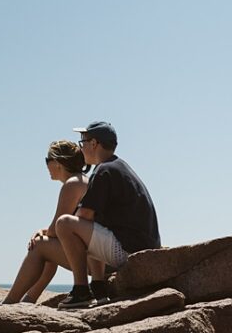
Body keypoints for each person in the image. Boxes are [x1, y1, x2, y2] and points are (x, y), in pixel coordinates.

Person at [55, 121, 161, 309]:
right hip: (143, 246)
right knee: (93, 225)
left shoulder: (104, 170)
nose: (81, 148)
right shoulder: (118, 166)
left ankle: (81, 291)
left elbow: (84, 215)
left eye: (83, 142)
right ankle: (99, 287)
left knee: (65, 224)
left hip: (130, 250)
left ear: (94, 144)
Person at [2, 141, 89, 304]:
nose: (46, 165)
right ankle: (28, 300)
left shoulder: (73, 184)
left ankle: (10, 302)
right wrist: (45, 231)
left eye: (47, 160)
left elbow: (58, 227)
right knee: (48, 245)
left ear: (57, 163)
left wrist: (42, 234)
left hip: (92, 259)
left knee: (40, 245)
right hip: (93, 254)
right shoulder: (82, 180)